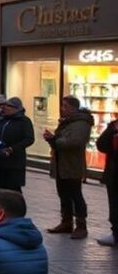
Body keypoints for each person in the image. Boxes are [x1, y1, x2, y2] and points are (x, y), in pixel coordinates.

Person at [44, 95, 93, 239]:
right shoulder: (68, 122)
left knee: (75, 195)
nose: (62, 109)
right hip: (61, 164)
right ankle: (66, 222)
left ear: (73, 108)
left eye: (65, 106)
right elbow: (64, 139)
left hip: (72, 165)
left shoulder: (81, 123)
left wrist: (54, 140)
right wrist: (52, 138)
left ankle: (81, 225)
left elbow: (75, 142)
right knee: (63, 194)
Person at [0, 97, 35, 193]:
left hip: (14, 162)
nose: (5, 107)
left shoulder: (24, 121)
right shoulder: (0, 120)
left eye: (8, 106)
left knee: (13, 191)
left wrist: (12, 148)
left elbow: (29, 139)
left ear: (16, 108)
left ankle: (16, 207)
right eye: (5, 105)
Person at [96, 118, 118, 246]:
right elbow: (101, 145)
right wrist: (112, 131)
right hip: (114, 173)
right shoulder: (114, 126)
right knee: (114, 203)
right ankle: (115, 233)